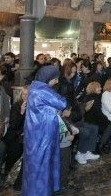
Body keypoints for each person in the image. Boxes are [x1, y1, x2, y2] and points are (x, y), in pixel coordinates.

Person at [23, 65, 66, 196]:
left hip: (35, 131)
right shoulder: (43, 90)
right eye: (56, 78)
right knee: (43, 161)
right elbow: (62, 103)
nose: (57, 81)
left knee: (35, 162)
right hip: (43, 132)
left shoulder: (35, 87)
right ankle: (41, 191)